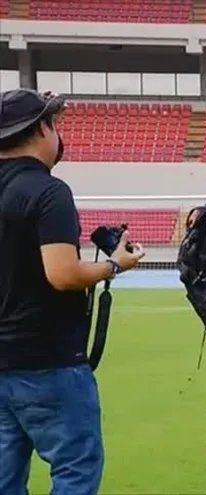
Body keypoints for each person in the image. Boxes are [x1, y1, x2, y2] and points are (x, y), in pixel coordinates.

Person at [0, 88, 145, 494]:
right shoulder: (48, 191)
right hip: (47, 358)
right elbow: (62, 274)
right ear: (40, 130)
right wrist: (115, 264)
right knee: (75, 467)